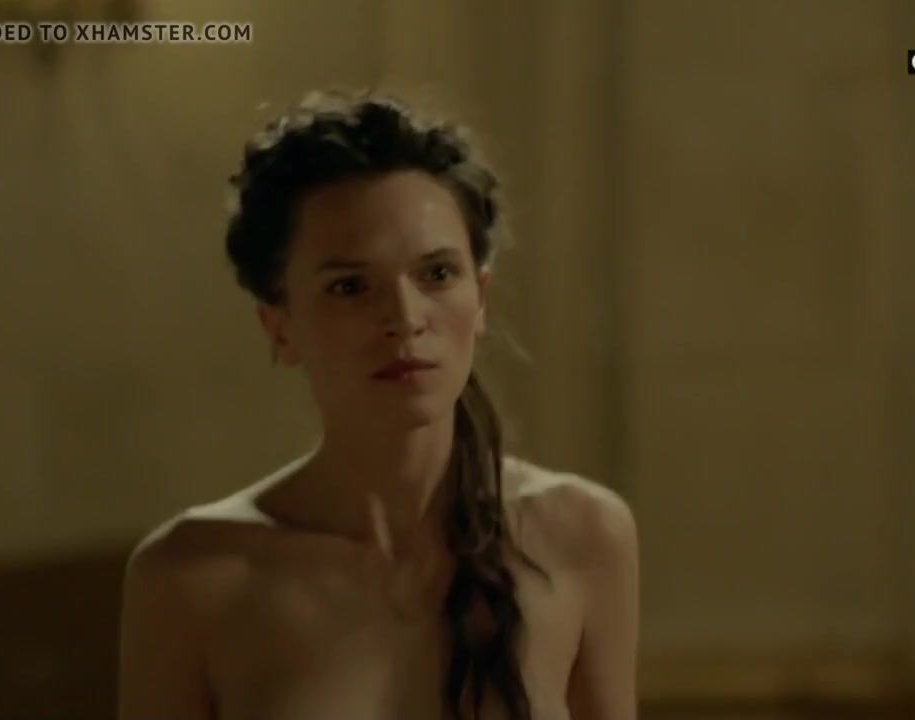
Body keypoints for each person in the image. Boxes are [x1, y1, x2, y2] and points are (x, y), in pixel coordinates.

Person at [116, 89, 639, 720]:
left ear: (481, 299)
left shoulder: (581, 535)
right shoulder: (195, 576)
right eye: (350, 287)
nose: (405, 318)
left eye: (437, 274)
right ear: (280, 327)